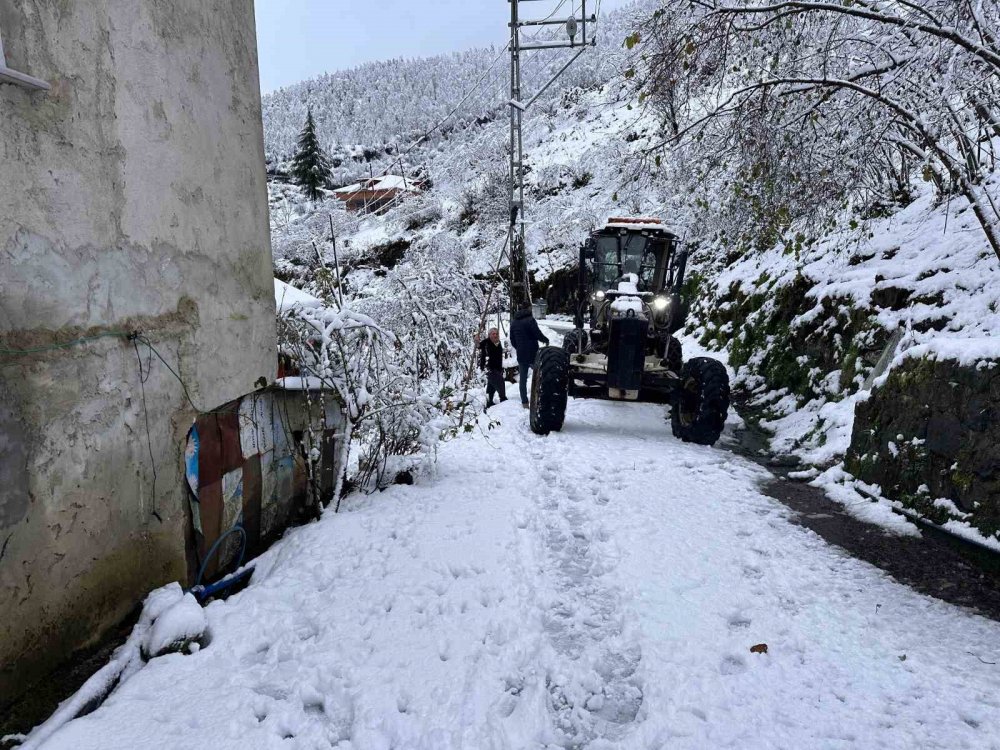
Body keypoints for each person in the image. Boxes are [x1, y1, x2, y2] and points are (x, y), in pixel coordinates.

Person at [509, 305, 549, 408]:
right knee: (538, 375)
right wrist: (545, 340)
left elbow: (512, 340)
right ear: (528, 310)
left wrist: (519, 347)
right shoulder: (530, 320)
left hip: (521, 354)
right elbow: (537, 333)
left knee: (523, 379)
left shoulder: (514, 323)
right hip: (533, 353)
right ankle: (539, 398)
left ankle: (525, 402)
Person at [477, 327, 506, 408]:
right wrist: (476, 340)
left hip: (497, 367)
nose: (495, 335)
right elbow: (478, 345)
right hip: (489, 368)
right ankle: (503, 399)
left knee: (491, 384)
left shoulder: (498, 342)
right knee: (500, 382)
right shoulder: (486, 342)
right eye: (493, 334)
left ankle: (490, 402)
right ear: (489, 335)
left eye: (497, 334)